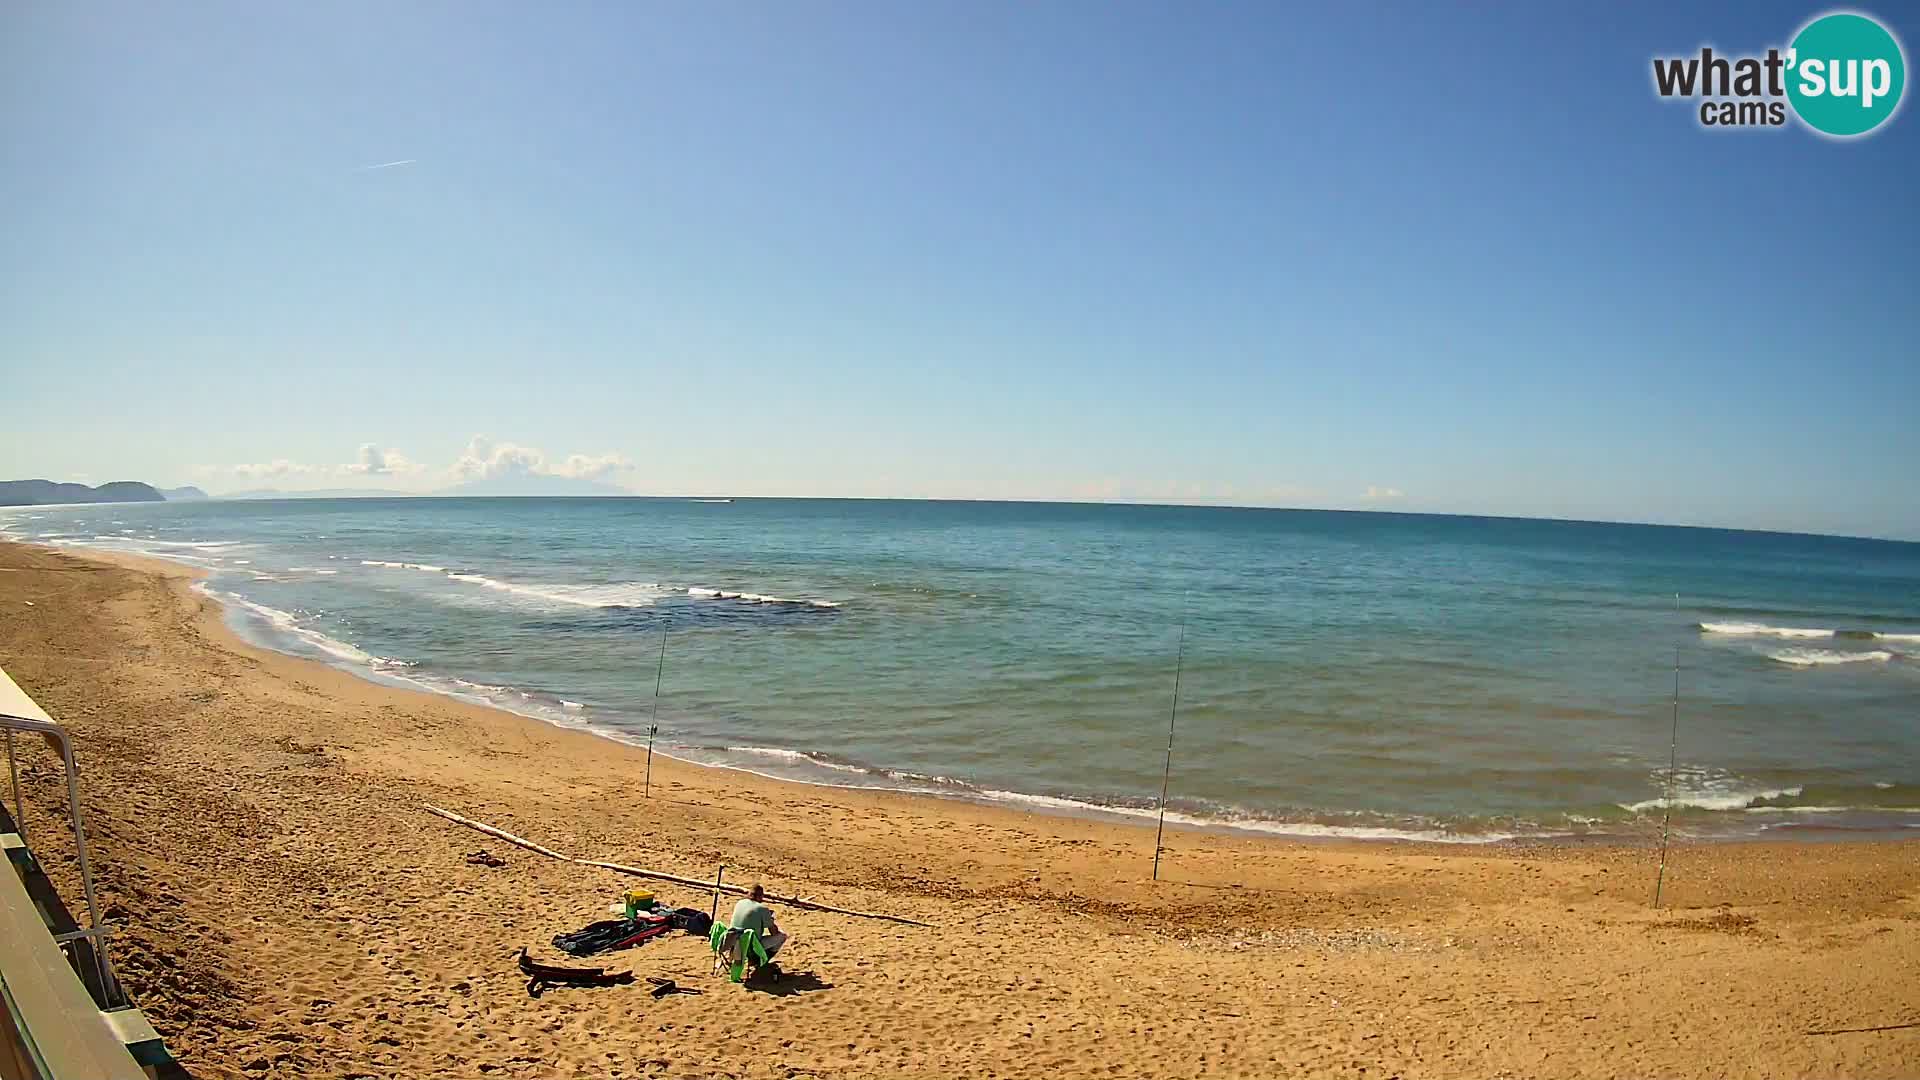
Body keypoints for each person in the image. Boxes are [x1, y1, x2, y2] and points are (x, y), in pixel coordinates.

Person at [729, 883, 787, 963]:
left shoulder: (740, 903)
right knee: (782, 936)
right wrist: (770, 919)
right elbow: (774, 932)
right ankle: (760, 961)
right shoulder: (762, 908)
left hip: (733, 942)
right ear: (760, 896)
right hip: (750, 945)